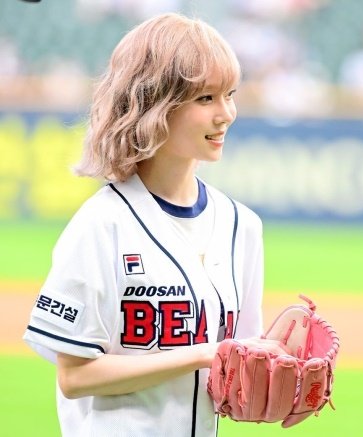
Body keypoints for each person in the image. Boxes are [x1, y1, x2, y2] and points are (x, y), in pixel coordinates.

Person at [23, 13, 287, 437]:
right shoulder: (102, 225)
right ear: (155, 104)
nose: (226, 114)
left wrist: (279, 383)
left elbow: (232, 375)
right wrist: (203, 354)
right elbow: (75, 376)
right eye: (205, 98)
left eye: (230, 95)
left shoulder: (242, 226)